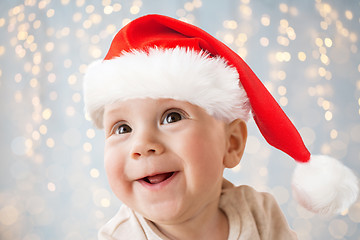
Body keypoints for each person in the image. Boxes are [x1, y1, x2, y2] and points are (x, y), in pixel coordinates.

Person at [83, 14, 358, 240]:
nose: (142, 145)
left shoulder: (260, 214)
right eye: (122, 128)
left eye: (173, 117)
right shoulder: (119, 236)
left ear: (232, 143)